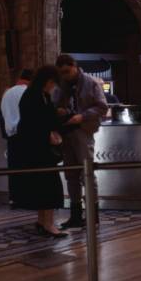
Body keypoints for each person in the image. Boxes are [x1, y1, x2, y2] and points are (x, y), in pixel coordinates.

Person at [55, 54, 108, 229]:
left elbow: (102, 107)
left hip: (83, 131)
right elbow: (56, 104)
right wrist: (60, 111)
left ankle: (93, 217)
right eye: (61, 72)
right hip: (67, 131)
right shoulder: (61, 85)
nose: (65, 75)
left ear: (75, 66)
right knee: (70, 175)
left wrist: (82, 116)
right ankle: (75, 216)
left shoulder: (91, 83)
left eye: (67, 71)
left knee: (87, 175)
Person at [16, 65, 67, 238]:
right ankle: (48, 224)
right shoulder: (33, 96)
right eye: (53, 83)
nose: (53, 87)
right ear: (48, 81)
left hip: (39, 149)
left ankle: (42, 222)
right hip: (39, 150)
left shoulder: (40, 95)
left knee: (45, 186)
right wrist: (47, 134)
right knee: (49, 187)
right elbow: (31, 123)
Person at [0, 68, 33, 205]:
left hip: (11, 136)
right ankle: (27, 198)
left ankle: (14, 198)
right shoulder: (28, 92)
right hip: (26, 135)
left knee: (14, 168)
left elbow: (2, 115)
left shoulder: (7, 93)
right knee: (27, 168)